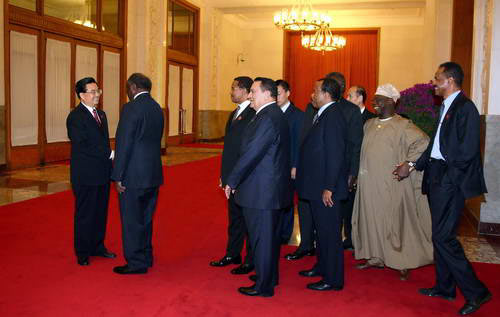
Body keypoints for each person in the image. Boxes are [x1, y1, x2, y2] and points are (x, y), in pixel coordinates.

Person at [394, 62, 491, 315]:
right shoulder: (445, 106)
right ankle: (445, 287)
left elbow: (467, 151)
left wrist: (448, 178)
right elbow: (435, 147)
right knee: (439, 235)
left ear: (449, 80)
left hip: (450, 181)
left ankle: (477, 292)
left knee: (443, 237)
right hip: (437, 179)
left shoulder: (465, 108)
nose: (433, 82)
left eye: (437, 78)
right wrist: (413, 164)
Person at [352, 84, 433, 281]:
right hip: (368, 183)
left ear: (391, 101)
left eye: (379, 99)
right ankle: (375, 256)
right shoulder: (368, 124)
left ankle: (401, 260)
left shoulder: (403, 124)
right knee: (371, 219)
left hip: (392, 183)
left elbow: (424, 142)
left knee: (395, 222)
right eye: (374, 99)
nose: (374, 103)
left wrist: (409, 163)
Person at [224, 77, 292, 297]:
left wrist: (232, 180)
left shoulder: (268, 117)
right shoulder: (270, 114)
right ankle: (268, 277)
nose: (250, 95)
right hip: (267, 189)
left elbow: (251, 153)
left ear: (266, 94)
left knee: (262, 240)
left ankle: (263, 286)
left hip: (262, 191)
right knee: (268, 240)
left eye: (253, 91)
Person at [296, 78, 347, 291]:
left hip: (327, 189)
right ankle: (322, 266)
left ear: (326, 93)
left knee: (329, 234)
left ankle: (332, 279)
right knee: (321, 231)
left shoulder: (333, 115)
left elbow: (335, 155)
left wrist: (330, 187)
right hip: (318, 186)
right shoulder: (324, 113)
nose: (311, 95)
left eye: (315, 91)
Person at [111, 73, 164, 275]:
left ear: (133, 87)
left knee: (132, 220)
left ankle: (135, 262)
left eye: (127, 89)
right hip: (152, 173)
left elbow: (124, 144)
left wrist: (118, 176)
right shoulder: (157, 108)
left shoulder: (131, 108)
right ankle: (146, 256)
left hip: (133, 174)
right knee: (146, 218)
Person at [67, 77, 116, 266]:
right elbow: (84, 145)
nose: (97, 95)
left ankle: (98, 246)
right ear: (81, 95)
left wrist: (109, 161)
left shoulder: (101, 114)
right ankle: (83, 251)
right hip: (85, 175)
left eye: (98, 91)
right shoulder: (75, 117)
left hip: (102, 173)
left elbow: (103, 141)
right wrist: (110, 154)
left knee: (100, 212)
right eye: (93, 92)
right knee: (85, 214)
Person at [210, 76, 255, 275]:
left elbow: (247, 150)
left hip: (245, 177)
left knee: (249, 221)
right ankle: (233, 253)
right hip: (232, 176)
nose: (231, 92)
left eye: (233, 88)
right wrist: (225, 175)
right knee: (235, 218)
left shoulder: (253, 114)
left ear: (245, 91)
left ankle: (250, 260)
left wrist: (237, 176)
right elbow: (228, 149)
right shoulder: (235, 113)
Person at [326, 72, 363, 251]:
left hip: (343, 170)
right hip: (324, 170)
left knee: (342, 212)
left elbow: (356, 144)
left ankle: (345, 241)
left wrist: (353, 173)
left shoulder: (351, 110)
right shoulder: (320, 107)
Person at [342, 85, 377, 250]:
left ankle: (364, 240)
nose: (347, 99)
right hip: (348, 169)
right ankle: (349, 238)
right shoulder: (345, 116)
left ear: (360, 98)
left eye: (350, 96)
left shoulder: (372, 119)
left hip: (366, 170)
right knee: (348, 207)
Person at [275, 79, 304, 244]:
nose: (276, 97)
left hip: (289, 165)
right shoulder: (272, 112)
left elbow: (298, 143)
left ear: (288, 93)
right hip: (274, 165)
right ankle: (276, 231)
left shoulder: (297, 115)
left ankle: (285, 235)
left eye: (279, 93)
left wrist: (295, 165)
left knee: (287, 201)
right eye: (274, 93)